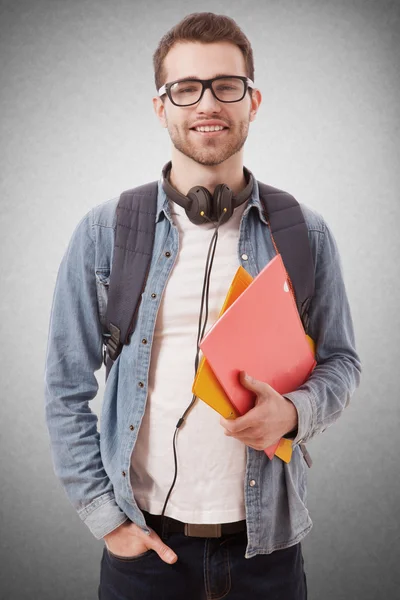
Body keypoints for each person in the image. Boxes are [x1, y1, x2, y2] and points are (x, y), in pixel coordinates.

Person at [44, 12, 361, 600]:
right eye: (185, 88)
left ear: (253, 100)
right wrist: (105, 519)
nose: (207, 103)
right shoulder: (105, 232)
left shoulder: (304, 234)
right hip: (145, 551)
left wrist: (292, 413)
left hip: (268, 552)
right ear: (161, 105)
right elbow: (65, 386)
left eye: (226, 85)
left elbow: (342, 362)